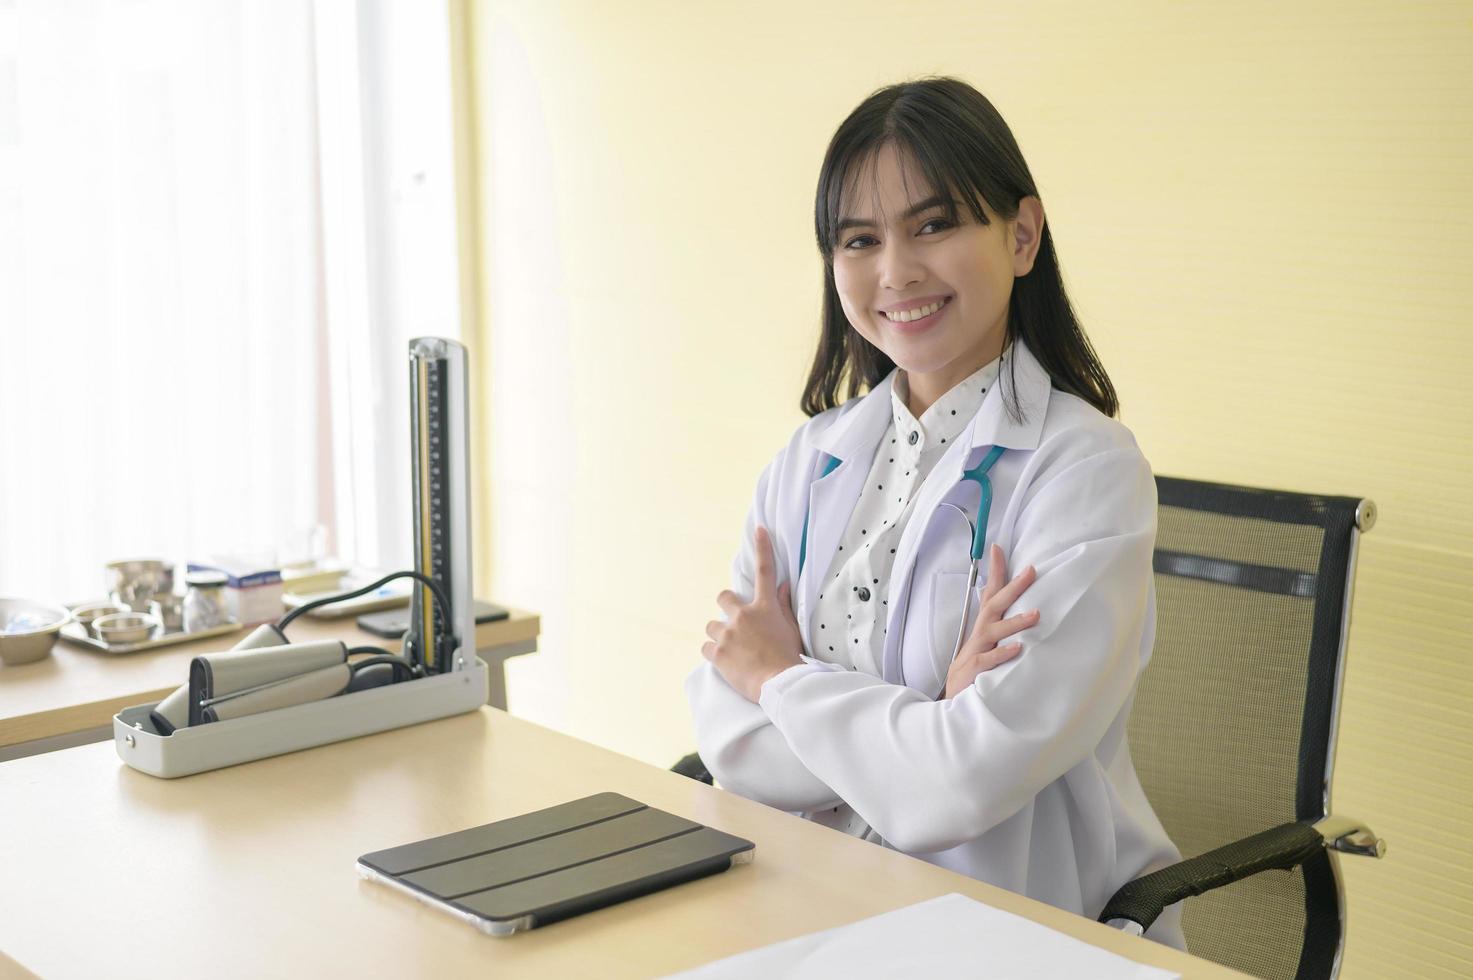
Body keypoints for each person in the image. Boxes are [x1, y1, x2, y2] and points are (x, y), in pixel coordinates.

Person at [685, 77, 1184, 946]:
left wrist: (780, 678)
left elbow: (958, 786)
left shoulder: (1084, 471)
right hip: (803, 906)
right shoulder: (807, 463)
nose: (895, 272)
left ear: (1020, 235)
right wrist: (927, 715)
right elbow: (728, 741)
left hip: (1004, 928)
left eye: (933, 224)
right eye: (859, 240)